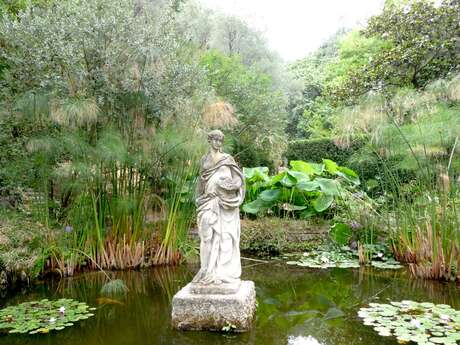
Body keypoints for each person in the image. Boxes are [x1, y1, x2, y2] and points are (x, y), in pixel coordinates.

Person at [192, 130, 244, 285]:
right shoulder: (204, 160)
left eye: (221, 141)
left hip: (224, 204)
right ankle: (205, 269)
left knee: (224, 236)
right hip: (208, 201)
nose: (218, 143)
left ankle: (220, 272)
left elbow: (238, 180)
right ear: (210, 141)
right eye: (215, 140)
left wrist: (229, 185)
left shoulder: (227, 159)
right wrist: (199, 198)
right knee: (206, 236)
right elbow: (201, 182)